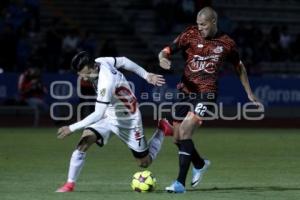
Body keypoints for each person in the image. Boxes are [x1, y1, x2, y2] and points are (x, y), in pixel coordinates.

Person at [158, 7, 260, 193]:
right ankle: (199, 163)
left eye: (203, 25)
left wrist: (249, 93)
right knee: (178, 138)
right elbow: (165, 50)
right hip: (185, 91)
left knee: (187, 131)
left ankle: (180, 183)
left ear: (213, 22)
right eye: (198, 24)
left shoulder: (226, 43)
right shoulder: (190, 34)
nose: (200, 28)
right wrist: (162, 59)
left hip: (207, 93)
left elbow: (239, 67)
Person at [56, 51, 172, 192]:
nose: (82, 77)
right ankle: (70, 184)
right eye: (79, 73)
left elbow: (97, 113)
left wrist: (71, 128)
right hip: (109, 115)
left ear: (91, 66)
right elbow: (124, 60)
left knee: (144, 163)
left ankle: (162, 129)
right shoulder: (101, 61)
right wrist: (146, 75)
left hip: (129, 121)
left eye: (83, 72)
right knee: (84, 141)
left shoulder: (106, 81)